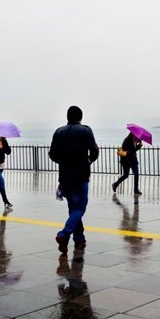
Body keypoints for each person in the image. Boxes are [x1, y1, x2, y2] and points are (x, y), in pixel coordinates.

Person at [49, 106, 99, 253]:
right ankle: (63, 234)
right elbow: (94, 150)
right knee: (80, 208)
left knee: (73, 208)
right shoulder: (85, 130)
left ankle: (79, 240)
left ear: (67, 117)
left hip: (64, 176)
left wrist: (64, 162)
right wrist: (88, 160)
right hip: (81, 175)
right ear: (80, 117)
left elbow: (52, 154)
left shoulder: (59, 132)